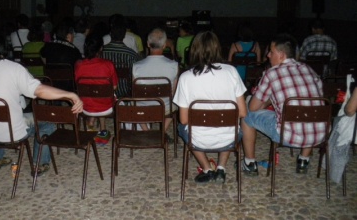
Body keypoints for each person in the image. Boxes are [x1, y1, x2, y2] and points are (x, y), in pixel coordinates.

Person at [0, 30, 83, 176]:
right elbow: (39, 90)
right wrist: (70, 95)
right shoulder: (15, 69)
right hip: (13, 134)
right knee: (48, 124)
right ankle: (39, 164)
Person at [241, 33, 323, 176]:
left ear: (281, 54)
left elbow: (253, 108)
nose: (267, 55)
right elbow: (319, 101)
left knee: (246, 115)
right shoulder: (309, 69)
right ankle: (303, 160)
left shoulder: (271, 73)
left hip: (287, 135)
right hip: (319, 135)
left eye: (271, 52)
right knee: (307, 113)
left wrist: (267, 101)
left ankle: (249, 163)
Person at [173, 31, 247, 184]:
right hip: (230, 138)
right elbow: (243, 112)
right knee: (230, 124)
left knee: (181, 127)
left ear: (194, 50)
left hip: (198, 139)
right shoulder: (231, 72)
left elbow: (184, 119)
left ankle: (207, 168)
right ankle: (221, 167)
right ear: (217, 49)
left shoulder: (185, 77)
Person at [132, 28, 179, 132]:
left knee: (134, 103)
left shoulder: (136, 67)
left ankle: (146, 130)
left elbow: (134, 93)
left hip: (142, 108)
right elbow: (174, 92)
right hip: (165, 108)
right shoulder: (174, 66)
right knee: (175, 103)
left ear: (148, 44)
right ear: (164, 45)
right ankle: (162, 132)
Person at [74, 33, 118, 144]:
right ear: (101, 48)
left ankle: (95, 125)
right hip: (106, 107)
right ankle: (103, 130)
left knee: (97, 95)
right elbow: (114, 87)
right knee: (104, 96)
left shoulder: (79, 64)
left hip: (85, 107)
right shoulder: (108, 64)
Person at [101, 16, 140, 98]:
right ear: (124, 35)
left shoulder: (101, 52)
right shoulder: (131, 54)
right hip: (126, 91)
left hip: (105, 89)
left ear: (110, 34)